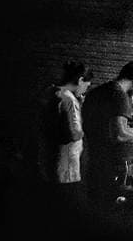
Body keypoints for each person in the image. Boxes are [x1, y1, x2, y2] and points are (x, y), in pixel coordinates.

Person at [82, 60, 133, 206]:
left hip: (93, 160)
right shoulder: (120, 96)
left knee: (96, 204)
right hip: (111, 164)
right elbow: (120, 134)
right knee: (111, 206)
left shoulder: (98, 91)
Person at [39, 61, 93, 199]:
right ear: (80, 80)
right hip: (67, 163)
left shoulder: (50, 92)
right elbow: (75, 133)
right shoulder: (69, 99)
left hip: (49, 157)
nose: (85, 90)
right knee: (68, 200)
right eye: (86, 85)